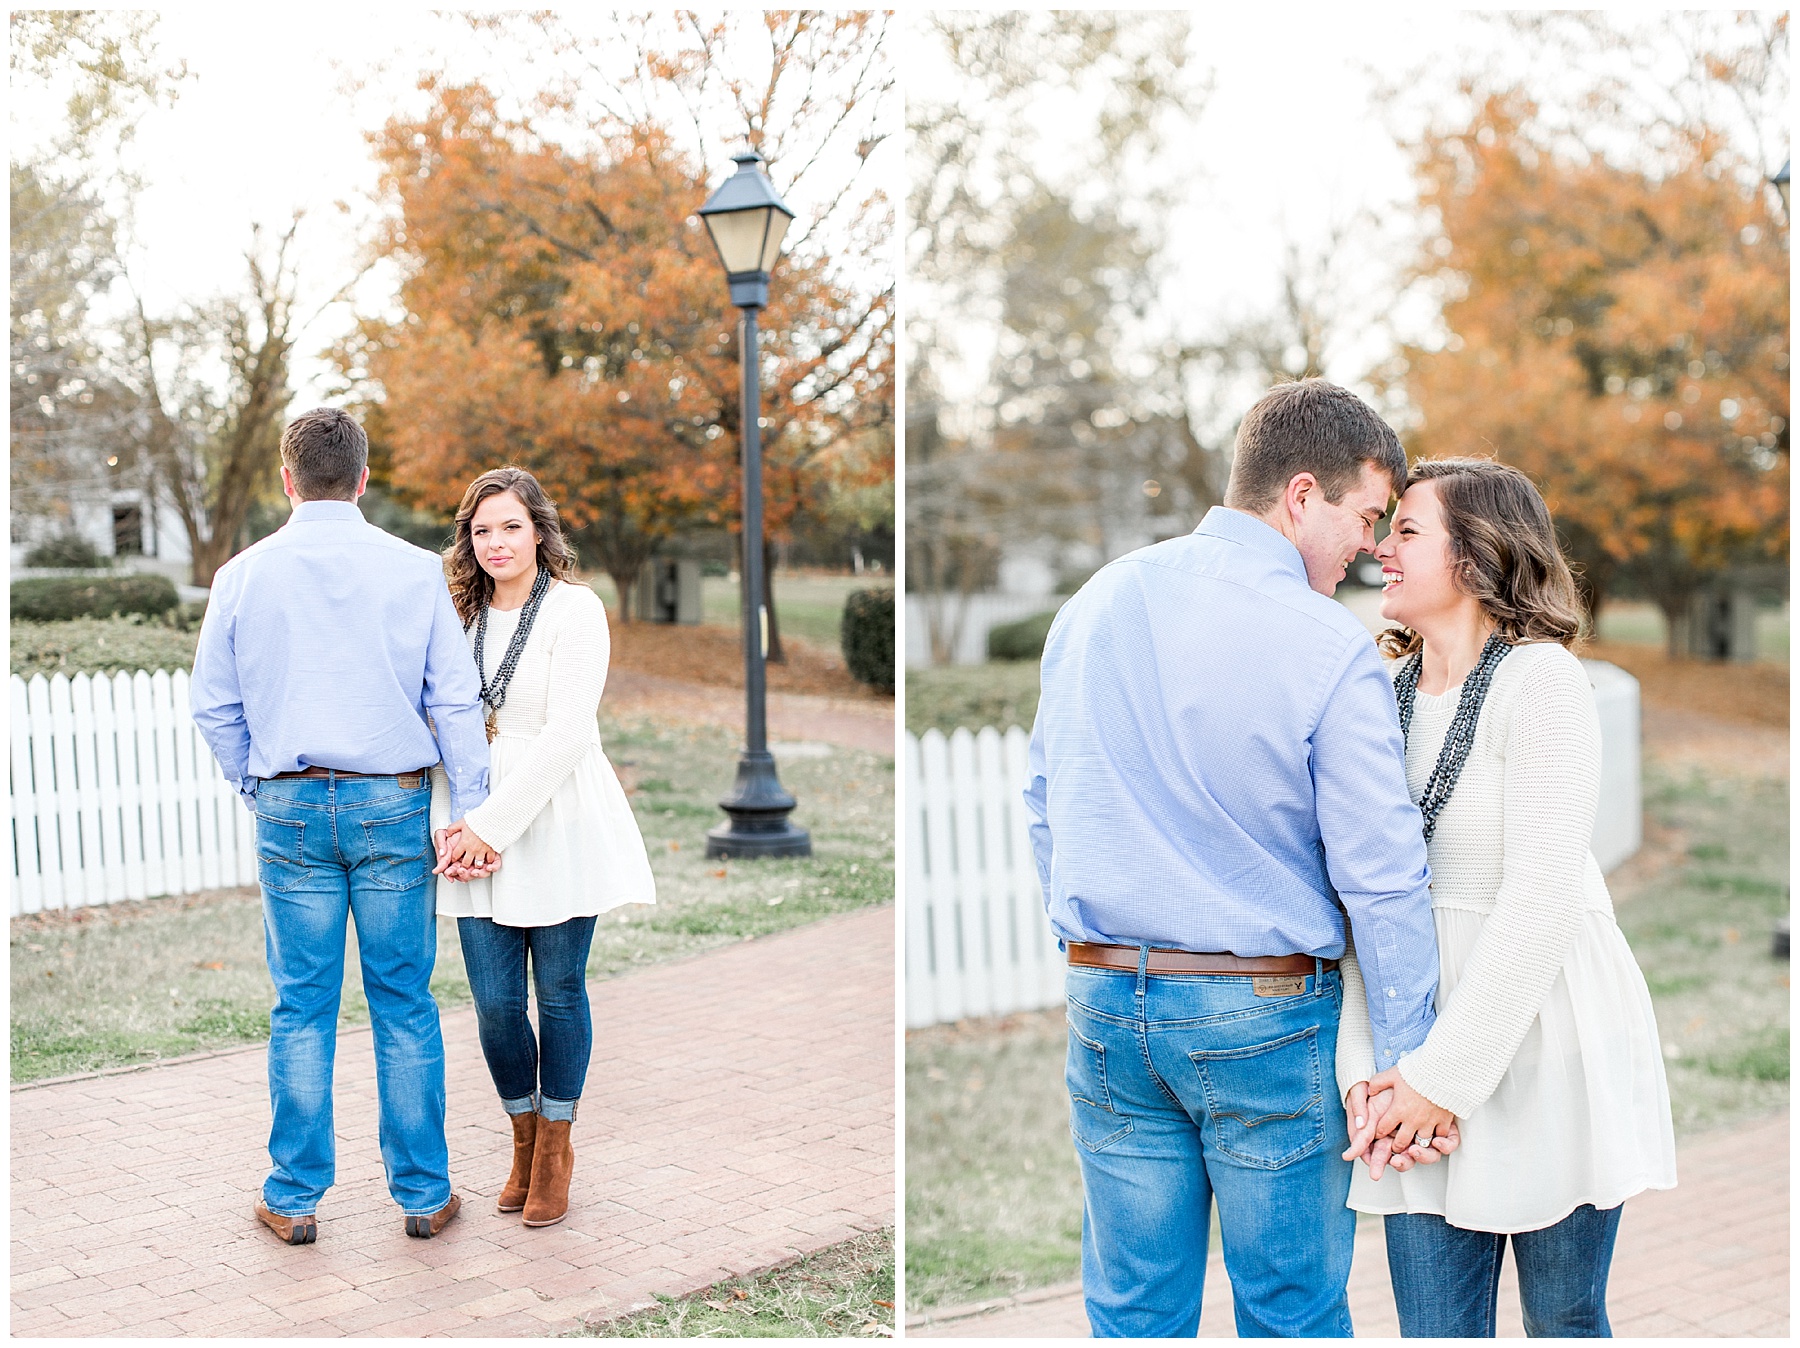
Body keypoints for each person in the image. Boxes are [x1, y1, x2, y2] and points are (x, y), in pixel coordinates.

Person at [1024, 379, 1450, 1337]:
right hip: (1260, 1021)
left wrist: (1091, 943)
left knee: (1133, 1313)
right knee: (1290, 1317)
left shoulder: (1098, 601)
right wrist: (1411, 1061)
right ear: (1302, 496)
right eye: (1366, 516)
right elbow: (1381, 878)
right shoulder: (1325, 645)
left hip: (1104, 1007)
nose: (1373, 548)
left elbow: (1045, 803)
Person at [1336, 458, 1677, 1338]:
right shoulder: (1380, 699)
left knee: (1564, 1320)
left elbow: (1541, 896)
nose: (1381, 547)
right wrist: (1369, 1083)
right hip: (1408, 1070)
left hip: (1543, 1047)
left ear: (1476, 554)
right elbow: (1360, 902)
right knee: (1435, 1331)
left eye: (1407, 531)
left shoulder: (1543, 683)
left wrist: (1442, 1082)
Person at [191, 407, 487, 1243]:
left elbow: (213, 706)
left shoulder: (242, 575)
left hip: (290, 803)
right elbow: (453, 699)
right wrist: (466, 809)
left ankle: (292, 1197)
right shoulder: (413, 570)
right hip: (391, 801)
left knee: (301, 1006)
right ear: (363, 478)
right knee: (402, 1001)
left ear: (288, 480)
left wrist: (260, 784)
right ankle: (425, 1195)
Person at [430, 466, 656, 1229]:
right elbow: (445, 727)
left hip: (553, 819)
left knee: (558, 992)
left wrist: (494, 826)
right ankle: (521, 1140)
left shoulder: (576, 611)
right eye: (481, 529)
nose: (495, 542)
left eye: (510, 527)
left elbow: (567, 734)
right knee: (495, 1006)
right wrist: (456, 827)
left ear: (539, 532)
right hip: (472, 824)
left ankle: (557, 1148)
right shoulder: (457, 617)